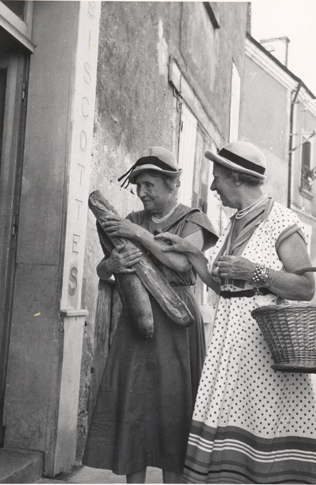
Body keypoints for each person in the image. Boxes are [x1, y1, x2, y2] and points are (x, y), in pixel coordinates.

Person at [156, 141, 316, 484]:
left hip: (263, 352)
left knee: (261, 425)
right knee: (230, 423)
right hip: (230, 348)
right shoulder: (234, 223)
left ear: (236, 177)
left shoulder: (281, 220)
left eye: (217, 178)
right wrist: (191, 252)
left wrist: (255, 272)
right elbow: (224, 288)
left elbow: (307, 288)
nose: (214, 186)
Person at [83, 147, 218, 483]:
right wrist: (111, 265)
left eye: (149, 185)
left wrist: (139, 235)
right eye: (138, 185)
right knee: (136, 405)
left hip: (177, 322)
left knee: (174, 408)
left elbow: (182, 263)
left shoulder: (194, 221)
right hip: (137, 319)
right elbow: (103, 272)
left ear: (172, 185)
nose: (141, 192)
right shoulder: (130, 220)